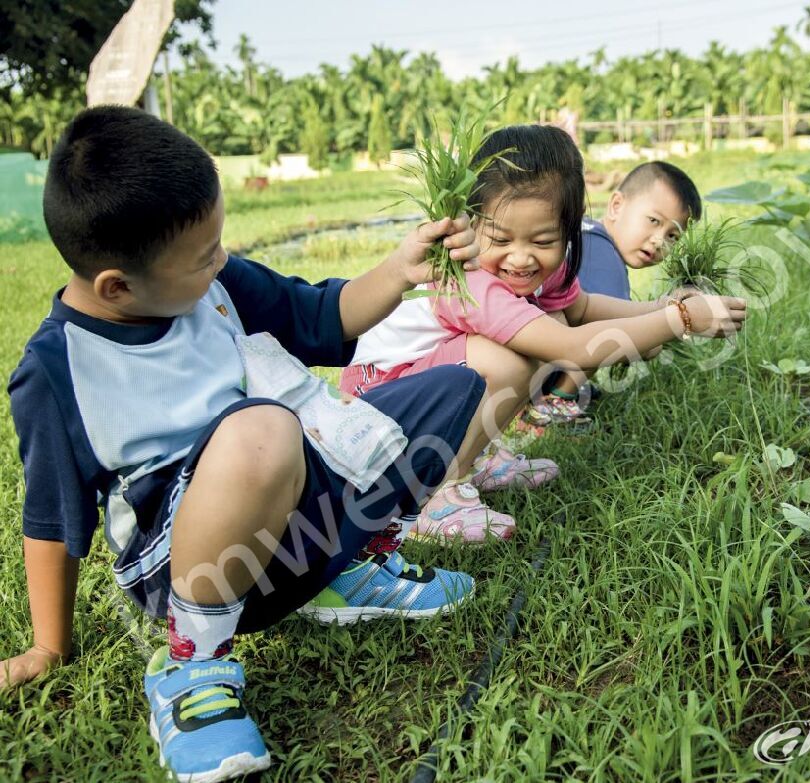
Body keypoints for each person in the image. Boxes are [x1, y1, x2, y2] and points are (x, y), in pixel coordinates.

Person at [1, 105, 493, 783]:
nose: (222, 259)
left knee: (452, 391)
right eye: (204, 255)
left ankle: (338, 573)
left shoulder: (214, 283)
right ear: (118, 286)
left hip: (281, 508)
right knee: (263, 429)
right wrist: (49, 645)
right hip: (185, 570)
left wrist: (402, 266)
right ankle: (191, 665)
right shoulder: (59, 369)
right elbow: (53, 522)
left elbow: (322, 316)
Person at [340, 125, 746, 545]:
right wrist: (680, 319)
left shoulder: (548, 268)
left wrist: (663, 307)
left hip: (426, 388)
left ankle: (474, 458)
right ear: (472, 225)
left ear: (569, 231)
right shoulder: (471, 281)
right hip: (378, 402)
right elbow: (573, 348)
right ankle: (432, 497)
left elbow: (583, 309)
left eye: (543, 240)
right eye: (500, 239)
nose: (520, 257)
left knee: (536, 337)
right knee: (516, 355)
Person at [533, 161, 705, 425]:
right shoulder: (603, 254)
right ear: (616, 206)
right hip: (535, 357)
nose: (659, 241)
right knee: (610, 332)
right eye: (653, 221)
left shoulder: (586, 233)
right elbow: (610, 324)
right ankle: (555, 400)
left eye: (673, 236)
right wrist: (655, 337)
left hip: (530, 343)